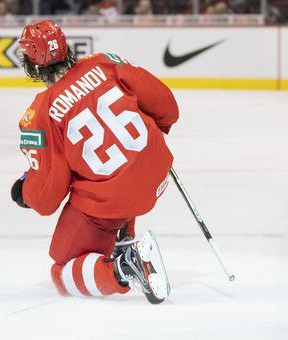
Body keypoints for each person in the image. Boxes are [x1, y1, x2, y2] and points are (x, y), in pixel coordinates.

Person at [10, 20, 178, 303]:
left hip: (113, 201)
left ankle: (124, 268)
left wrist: (24, 192)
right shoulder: (105, 63)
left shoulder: (40, 114)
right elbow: (167, 107)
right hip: (157, 173)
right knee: (121, 171)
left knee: (61, 269)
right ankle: (123, 236)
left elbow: (47, 195)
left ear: (32, 62)